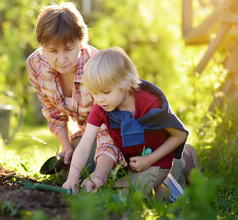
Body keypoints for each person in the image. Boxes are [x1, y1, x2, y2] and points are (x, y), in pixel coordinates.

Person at [62, 47, 189, 196]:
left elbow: (179, 135)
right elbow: (84, 146)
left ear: (125, 83)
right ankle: (161, 189)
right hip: (130, 164)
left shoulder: (151, 104)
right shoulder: (101, 108)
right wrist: (72, 178)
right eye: (94, 93)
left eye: (106, 92)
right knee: (107, 188)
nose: (99, 99)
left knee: (124, 195)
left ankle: (170, 190)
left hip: (156, 162)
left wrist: (148, 160)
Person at [26, 2, 127, 177]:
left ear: (81, 41)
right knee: (64, 172)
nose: (62, 59)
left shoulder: (97, 67)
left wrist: (100, 173)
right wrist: (66, 146)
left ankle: (183, 157)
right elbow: (53, 113)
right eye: (52, 51)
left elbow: (111, 125)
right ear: (41, 46)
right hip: (86, 133)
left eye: (69, 49)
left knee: (87, 172)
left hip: (121, 132)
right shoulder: (35, 65)